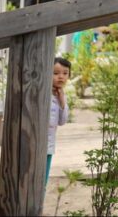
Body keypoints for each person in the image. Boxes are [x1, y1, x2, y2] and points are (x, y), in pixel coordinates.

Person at [47, 57, 71, 188]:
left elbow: (62, 121)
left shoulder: (60, 94)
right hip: (35, 144)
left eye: (65, 73)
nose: (61, 77)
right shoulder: (44, 93)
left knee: (43, 180)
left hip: (49, 145)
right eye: (55, 73)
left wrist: (62, 101)